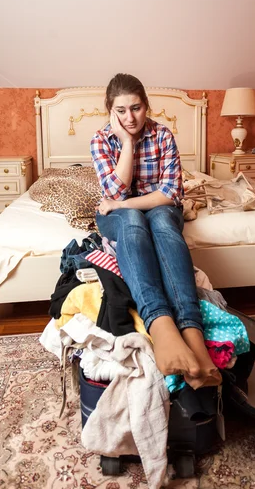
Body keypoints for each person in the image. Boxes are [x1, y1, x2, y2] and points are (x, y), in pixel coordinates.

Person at [90, 73, 221, 390]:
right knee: (134, 220)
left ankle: (191, 331)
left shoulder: (163, 135)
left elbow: (170, 194)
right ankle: (162, 326)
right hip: (119, 217)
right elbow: (117, 191)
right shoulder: (100, 140)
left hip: (151, 208)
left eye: (136, 108)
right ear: (110, 111)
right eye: (120, 110)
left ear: (146, 107)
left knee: (162, 220)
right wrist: (127, 143)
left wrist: (123, 205)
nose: (129, 117)